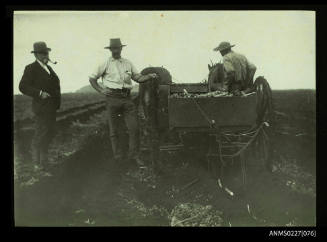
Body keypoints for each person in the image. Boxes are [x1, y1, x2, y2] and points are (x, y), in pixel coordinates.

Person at [89, 38, 157, 169]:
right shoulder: (105, 63)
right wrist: (101, 90)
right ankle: (118, 158)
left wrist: (149, 76)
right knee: (114, 130)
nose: (116, 50)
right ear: (110, 50)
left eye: (118, 48)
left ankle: (134, 156)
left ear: (121, 49)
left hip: (127, 98)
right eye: (113, 49)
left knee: (134, 128)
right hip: (112, 98)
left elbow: (137, 77)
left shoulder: (128, 63)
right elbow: (92, 78)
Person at [19, 41, 61, 171]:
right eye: (43, 53)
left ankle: (44, 160)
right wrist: (39, 93)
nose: (46, 55)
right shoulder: (31, 68)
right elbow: (22, 87)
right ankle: (37, 163)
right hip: (41, 107)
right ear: (36, 55)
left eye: (47, 52)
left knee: (51, 131)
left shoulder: (49, 68)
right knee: (41, 133)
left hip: (51, 107)